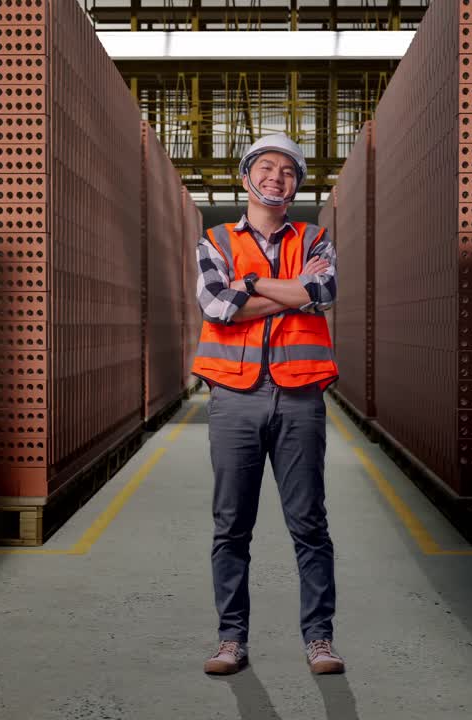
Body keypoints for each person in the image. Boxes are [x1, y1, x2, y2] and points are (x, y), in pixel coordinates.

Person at [190, 132, 344, 675]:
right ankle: (231, 640)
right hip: (234, 396)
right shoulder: (214, 239)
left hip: (300, 396)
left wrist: (252, 283)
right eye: (267, 167)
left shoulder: (316, 237)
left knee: (309, 523)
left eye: (288, 171)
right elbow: (217, 305)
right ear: (246, 176)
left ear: (297, 184)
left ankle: (319, 640)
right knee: (231, 525)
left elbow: (322, 293)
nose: (277, 177)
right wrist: (288, 289)